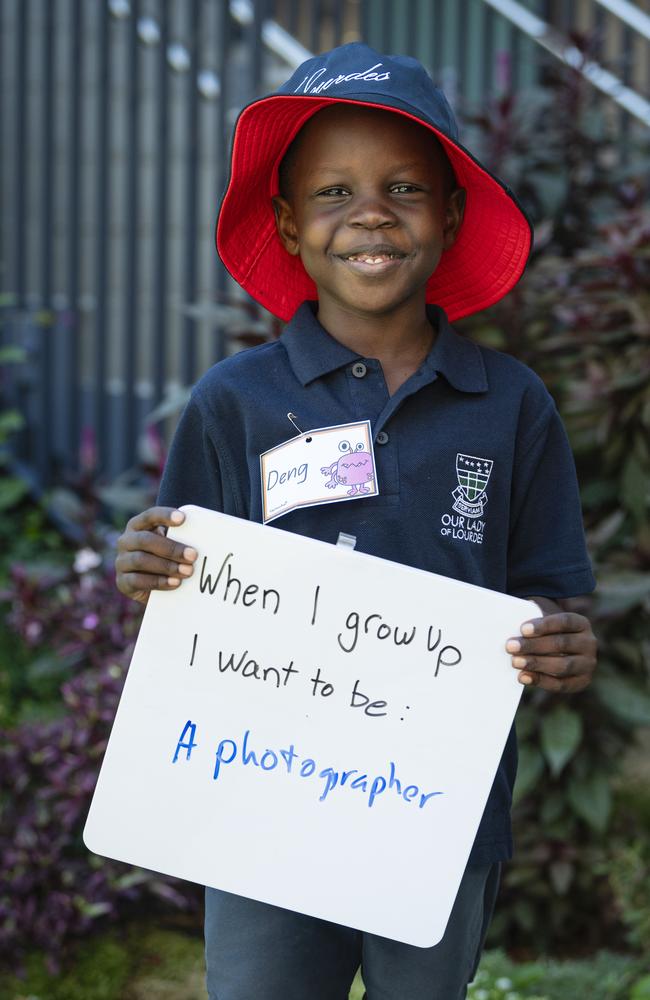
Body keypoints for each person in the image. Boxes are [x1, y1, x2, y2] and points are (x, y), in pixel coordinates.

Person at [115, 43, 597, 1000]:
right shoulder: (232, 403)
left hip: (438, 812)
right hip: (258, 804)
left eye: (404, 186)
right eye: (332, 193)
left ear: (450, 217)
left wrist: (562, 644)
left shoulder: (510, 405)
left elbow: (553, 596)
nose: (369, 213)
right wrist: (144, 563)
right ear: (289, 225)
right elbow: (180, 596)